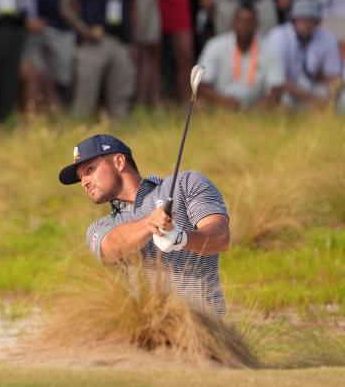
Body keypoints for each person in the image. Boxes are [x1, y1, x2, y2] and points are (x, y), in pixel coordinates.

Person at [59, 134, 231, 316]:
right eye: (80, 177)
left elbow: (221, 237)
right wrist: (150, 224)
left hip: (205, 328)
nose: (84, 182)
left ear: (118, 162)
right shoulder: (99, 228)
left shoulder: (184, 183)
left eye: (89, 170)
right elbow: (111, 248)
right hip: (145, 337)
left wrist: (181, 238)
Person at [197, 3, 283, 109]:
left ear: (257, 24)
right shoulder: (215, 46)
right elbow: (201, 85)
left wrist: (258, 107)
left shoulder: (270, 48)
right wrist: (223, 101)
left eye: (249, 21)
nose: (245, 26)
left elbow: (277, 88)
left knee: (282, 109)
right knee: (198, 106)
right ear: (233, 23)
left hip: (256, 106)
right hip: (221, 103)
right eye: (241, 21)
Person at [265, 0, 342, 109]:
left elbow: (333, 76)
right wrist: (312, 100)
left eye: (311, 19)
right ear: (294, 19)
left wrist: (331, 98)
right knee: (284, 101)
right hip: (282, 88)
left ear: (317, 22)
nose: (307, 23)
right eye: (302, 19)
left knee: (342, 99)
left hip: (308, 86)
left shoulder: (327, 37)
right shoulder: (278, 36)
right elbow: (279, 80)